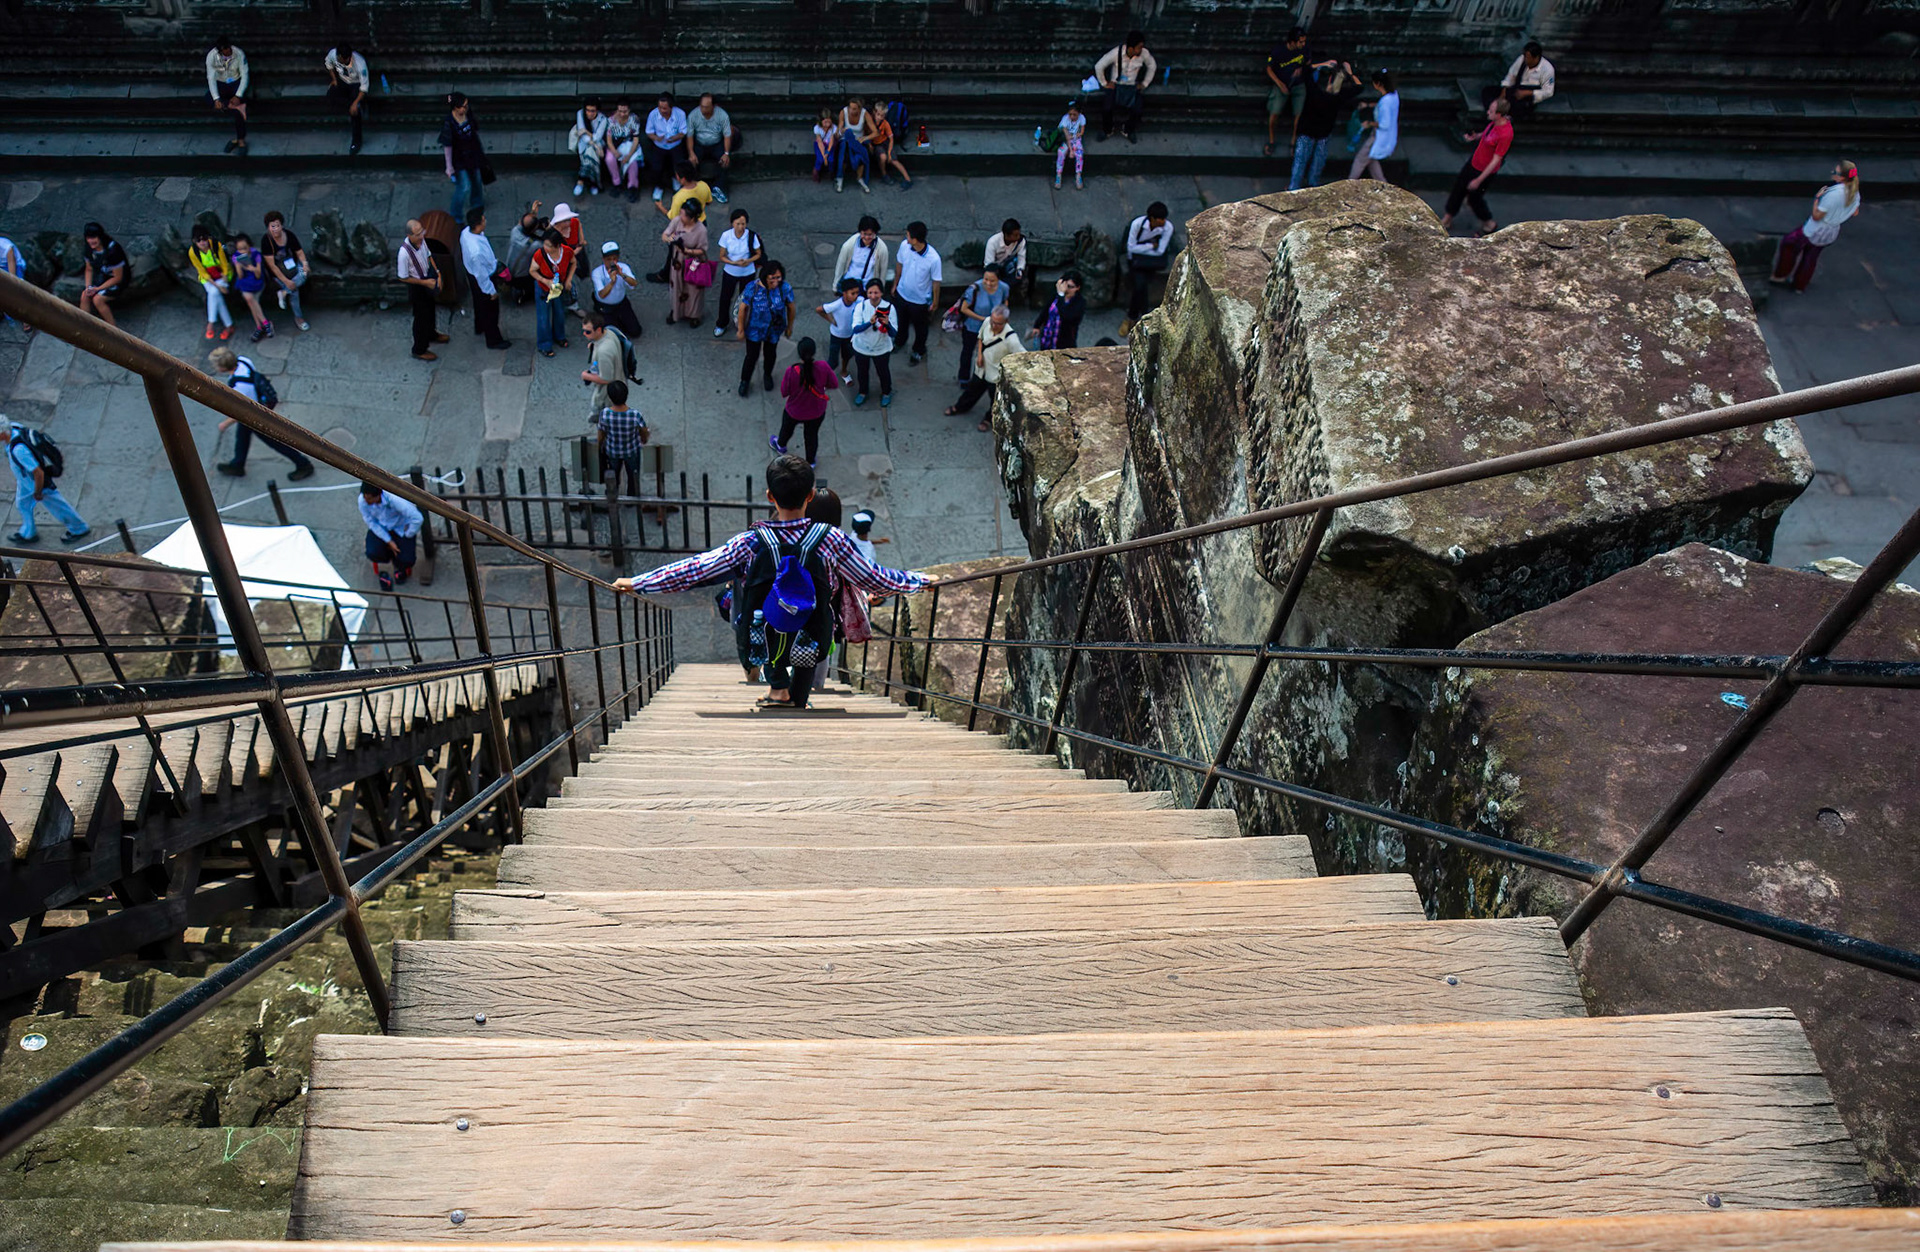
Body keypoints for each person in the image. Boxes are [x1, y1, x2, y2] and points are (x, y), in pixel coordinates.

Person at [614, 455, 928, 711]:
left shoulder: (749, 543)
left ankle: (778, 691)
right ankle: (798, 700)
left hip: (764, 629)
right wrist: (919, 581)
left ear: (769, 496)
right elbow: (874, 577)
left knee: (772, 652)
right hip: (812, 629)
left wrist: (639, 582)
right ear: (809, 497)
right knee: (806, 656)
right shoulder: (831, 541)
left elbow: (696, 570)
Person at [210, 346, 315, 480]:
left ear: (223, 367)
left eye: (216, 365)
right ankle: (238, 464)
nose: (215, 368)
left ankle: (303, 464)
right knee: (242, 436)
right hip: (255, 409)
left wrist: (225, 423)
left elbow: (244, 410)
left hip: (255, 415)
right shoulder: (243, 361)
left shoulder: (241, 387)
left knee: (275, 442)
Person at [1771, 160, 1862, 293]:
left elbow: (1816, 216)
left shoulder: (1833, 195)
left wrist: (1817, 199)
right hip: (1832, 231)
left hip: (1816, 228)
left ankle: (1780, 276)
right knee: (1811, 257)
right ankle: (1799, 285)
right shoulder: (1855, 193)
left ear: (1842, 177)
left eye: (1835, 172)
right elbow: (1855, 212)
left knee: (1789, 243)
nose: (1832, 174)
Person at [6, 415, 88, 545]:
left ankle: (79, 528)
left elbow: (38, 473)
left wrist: (38, 492)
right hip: (25, 481)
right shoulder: (15, 427)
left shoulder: (19, 450)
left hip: (36, 484)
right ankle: (28, 533)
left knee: (58, 506)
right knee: (23, 504)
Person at [945, 304, 1026, 430]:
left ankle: (988, 419)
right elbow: (981, 338)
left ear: (1006, 322)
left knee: (995, 401)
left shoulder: (1011, 340)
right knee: (972, 390)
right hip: (981, 369)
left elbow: (1022, 356)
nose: (993, 326)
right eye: (993, 322)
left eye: (998, 323)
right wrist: (979, 356)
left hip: (996, 376)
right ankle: (960, 407)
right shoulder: (987, 321)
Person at [1441, 98, 1512, 236]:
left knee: (1475, 199)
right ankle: (1448, 217)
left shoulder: (1505, 134)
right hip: (1474, 162)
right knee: (1459, 189)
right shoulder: (1494, 123)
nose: (1488, 112)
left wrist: (1479, 180)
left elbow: (1496, 160)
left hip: (1483, 171)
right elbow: (1487, 135)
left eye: (1491, 111)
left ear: (1499, 114)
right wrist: (1476, 137)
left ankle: (1489, 222)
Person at [1290, 60, 1360, 191]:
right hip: (1323, 135)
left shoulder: (1314, 91)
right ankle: (1312, 187)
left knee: (1300, 164)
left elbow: (1305, 69)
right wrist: (1350, 73)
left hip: (1307, 132)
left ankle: (1293, 188)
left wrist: (1323, 64)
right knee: (1317, 165)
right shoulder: (1338, 98)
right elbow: (1359, 88)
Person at [772, 336, 839, 466]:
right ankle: (811, 462)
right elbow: (834, 384)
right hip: (817, 411)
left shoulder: (792, 371)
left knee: (786, 428)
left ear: (799, 354)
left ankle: (780, 445)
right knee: (811, 436)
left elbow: (784, 392)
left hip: (794, 411)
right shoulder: (823, 367)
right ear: (814, 352)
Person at [737, 260, 795, 396]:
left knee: (770, 354)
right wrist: (741, 329)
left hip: (774, 330)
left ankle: (767, 375)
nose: (776, 281)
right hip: (754, 330)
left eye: (778, 277)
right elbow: (742, 308)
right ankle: (744, 381)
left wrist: (790, 327)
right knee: (751, 356)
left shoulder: (785, 288)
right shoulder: (753, 288)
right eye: (773, 277)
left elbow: (791, 308)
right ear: (765, 276)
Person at [460, 207, 512, 350]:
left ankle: (480, 326)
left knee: (479, 304)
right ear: (478, 224)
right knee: (491, 311)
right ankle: (493, 340)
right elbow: (481, 276)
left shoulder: (466, 233)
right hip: (483, 278)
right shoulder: (476, 252)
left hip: (472, 274)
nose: (485, 221)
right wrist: (491, 291)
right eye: (483, 219)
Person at [890, 221, 941, 363]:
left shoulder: (934, 259)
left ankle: (918, 350)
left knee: (921, 329)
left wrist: (935, 302)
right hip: (902, 294)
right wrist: (895, 283)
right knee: (901, 322)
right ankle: (899, 341)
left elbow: (936, 282)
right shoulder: (904, 247)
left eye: (908, 234)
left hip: (919, 301)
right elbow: (899, 265)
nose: (906, 236)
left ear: (914, 238)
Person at [359, 481, 422, 591]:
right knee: (372, 552)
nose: (366, 500)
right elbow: (371, 522)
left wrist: (408, 534)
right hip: (381, 527)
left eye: (369, 498)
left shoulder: (394, 500)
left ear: (378, 496)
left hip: (400, 528)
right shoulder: (363, 501)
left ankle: (400, 567)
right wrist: (388, 541)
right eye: (364, 497)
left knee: (407, 559)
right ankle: (388, 557)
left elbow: (417, 518)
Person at [397, 218, 445, 361]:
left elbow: (429, 256)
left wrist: (438, 273)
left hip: (428, 278)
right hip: (418, 286)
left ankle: (432, 334)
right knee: (420, 319)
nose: (421, 236)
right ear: (409, 235)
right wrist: (425, 283)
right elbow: (403, 278)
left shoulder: (421, 241)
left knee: (431, 310)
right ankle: (419, 349)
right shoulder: (404, 254)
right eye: (417, 234)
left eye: (421, 232)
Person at [1120, 204, 1172, 335]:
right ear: (1152, 218)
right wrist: (1150, 246)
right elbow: (1131, 248)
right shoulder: (1137, 224)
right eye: (1160, 219)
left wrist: (1142, 249)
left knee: (1140, 286)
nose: (1163, 222)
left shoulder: (1167, 228)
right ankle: (1143, 316)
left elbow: (1160, 251)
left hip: (1151, 263)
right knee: (1140, 286)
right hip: (1136, 262)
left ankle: (1131, 317)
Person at [1095, 32, 1156, 143]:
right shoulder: (1116, 53)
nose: (1141, 50)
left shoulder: (1144, 54)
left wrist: (1144, 83)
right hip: (1116, 86)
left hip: (1132, 87)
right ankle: (1107, 130)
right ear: (1131, 48)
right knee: (1106, 108)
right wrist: (1104, 83)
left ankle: (1128, 130)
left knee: (1138, 109)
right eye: (1139, 47)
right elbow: (1099, 66)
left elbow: (1152, 66)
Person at [712, 208, 763, 338]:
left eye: (743, 224)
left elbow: (758, 254)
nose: (740, 227)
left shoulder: (751, 236)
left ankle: (742, 324)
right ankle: (721, 323)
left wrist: (748, 261)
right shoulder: (726, 236)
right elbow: (722, 256)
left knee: (745, 300)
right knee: (725, 298)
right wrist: (734, 263)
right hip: (730, 272)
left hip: (748, 272)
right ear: (732, 223)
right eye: (738, 224)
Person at [595, 378, 649, 499]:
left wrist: (599, 446)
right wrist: (644, 439)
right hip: (632, 451)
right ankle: (632, 497)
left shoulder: (605, 414)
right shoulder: (635, 415)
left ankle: (613, 493)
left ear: (610, 397)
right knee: (633, 474)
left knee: (613, 474)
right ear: (626, 395)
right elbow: (644, 432)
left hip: (613, 451)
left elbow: (601, 434)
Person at [956, 264, 1009, 383]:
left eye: (992, 281)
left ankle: (982, 377)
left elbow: (1005, 301)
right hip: (973, 327)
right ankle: (963, 378)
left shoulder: (1004, 288)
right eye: (986, 279)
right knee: (967, 352)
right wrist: (983, 319)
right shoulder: (975, 289)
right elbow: (964, 308)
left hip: (992, 329)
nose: (988, 283)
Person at [1265, 26, 1312, 158]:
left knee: (1299, 116)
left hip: (1298, 85)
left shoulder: (1305, 49)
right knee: (1274, 114)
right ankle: (1271, 140)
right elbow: (1269, 69)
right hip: (1282, 84)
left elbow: (1308, 62)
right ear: (1292, 42)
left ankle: (1293, 141)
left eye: (1304, 41)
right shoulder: (1279, 51)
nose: (1303, 44)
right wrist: (1280, 85)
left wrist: (1301, 69)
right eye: (1300, 42)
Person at [440, 92, 487, 223]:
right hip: (459, 158)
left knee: (477, 179)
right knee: (464, 186)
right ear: (455, 107)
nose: (465, 109)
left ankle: (477, 205)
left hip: (473, 153)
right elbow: (447, 146)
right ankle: (456, 216)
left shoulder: (467, 114)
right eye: (462, 106)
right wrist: (449, 166)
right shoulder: (449, 123)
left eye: (466, 106)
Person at [663, 199, 710, 327]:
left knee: (694, 290)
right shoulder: (677, 221)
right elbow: (665, 235)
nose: (680, 216)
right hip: (678, 261)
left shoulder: (701, 230)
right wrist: (671, 239)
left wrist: (687, 250)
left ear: (692, 218)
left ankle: (694, 315)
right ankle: (676, 311)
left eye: (683, 214)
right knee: (676, 286)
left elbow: (702, 249)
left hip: (694, 262)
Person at [850, 278, 896, 408]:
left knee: (883, 371)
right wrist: (869, 323)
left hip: (881, 348)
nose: (873, 296)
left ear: (881, 293)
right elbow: (856, 329)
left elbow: (893, 333)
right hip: (861, 347)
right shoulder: (861, 306)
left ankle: (886, 392)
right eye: (870, 293)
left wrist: (887, 325)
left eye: (876, 293)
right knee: (862, 371)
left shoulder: (889, 308)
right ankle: (863, 392)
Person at [529, 227, 575, 357]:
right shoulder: (540, 254)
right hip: (543, 289)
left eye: (548, 245)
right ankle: (544, 344)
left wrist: (569, 280)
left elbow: (573, 263)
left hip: (558, 287)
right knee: (543, 317)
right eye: (545, 243)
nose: (545, 247)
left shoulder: (566, 252)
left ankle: (559, 337)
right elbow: (532, 271)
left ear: (558, 246)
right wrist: (545, 281)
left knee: (559, 313)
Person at [263, 211, 311, 331]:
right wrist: (286, 281)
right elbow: (272, 266)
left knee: (304, 273)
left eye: (277, 225)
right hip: (279, 273)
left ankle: (284, 293)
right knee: (294, 290)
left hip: (293, 267)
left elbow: (299, 252)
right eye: (272, 226)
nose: (275, 229)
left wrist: (305, 264)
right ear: (268, 227)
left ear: (282, 225)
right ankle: (299, 318)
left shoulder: (289, 235)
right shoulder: (266, 241)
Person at [1349, 70, 1399, 182]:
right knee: (1371, 161)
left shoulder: (1385, 103)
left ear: (1379, 84)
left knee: (1360, 159)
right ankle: (1383, 185)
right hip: (1385, 136)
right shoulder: (1393, 95)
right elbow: (1382, 106)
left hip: (1377, 138)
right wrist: (1368, 105)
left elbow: (1384, 124)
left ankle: (1349, 183)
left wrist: (1369, 124)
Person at [188, 225, 236, 341]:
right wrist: (218, 286)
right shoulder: (193, 252)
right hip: (208, 278)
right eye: (198, 240)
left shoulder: (216, 245)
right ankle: (229, 326)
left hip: (222, 275)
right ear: (194, 241)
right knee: (215, 293)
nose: (202, 243)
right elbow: (201, 271)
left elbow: (224, 265)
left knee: (213, 293)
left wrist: (223, 280)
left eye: (204, 239)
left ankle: (211, 323)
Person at [76, 222, 126, 329]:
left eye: (94, 237)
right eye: (89, 238)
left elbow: (118, 278)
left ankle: (114, 330)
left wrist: (98, 289)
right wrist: (88, 287)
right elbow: (89, 269)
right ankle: (83, 326)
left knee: (97, 300)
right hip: (102, 277)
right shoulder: (89, 249)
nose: (91, 241)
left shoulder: (113, 251)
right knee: (85, 295)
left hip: (117, 281)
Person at [1488, 41, 1555, 118]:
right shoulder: (1521, 59)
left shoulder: (1547, 69)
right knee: (1489, 92)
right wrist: (1504, 91)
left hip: (1530, 95)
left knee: (1517, 106)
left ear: (1536, 57)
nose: (1525, 59)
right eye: (1525, 56)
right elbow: (1511, 75)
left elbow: (1549, 92)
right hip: (1516, 89)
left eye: (1528, 57)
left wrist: (1528, 93)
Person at [324, 44, 370, 155]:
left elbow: (364, 88)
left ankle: (356, 141)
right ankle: (350, 105)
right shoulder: (333, 55)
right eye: (343, 60)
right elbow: (328, 65)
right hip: (343, 81)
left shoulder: (360, 64)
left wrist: (355, 103)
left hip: (356, 84)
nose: (346, 61)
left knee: (355, 113)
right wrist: (334, 79)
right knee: (331, 95)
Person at [206, 36, 249, 156]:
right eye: (224, 51)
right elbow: (211, 78)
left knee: (238, 104)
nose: (227, 53)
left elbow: (245, 75)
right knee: (208, 98)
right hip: (221, 83)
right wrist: (216, 98)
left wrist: (238, 95)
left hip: (235, 82)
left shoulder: (239, 54)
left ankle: (240, 140)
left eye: (228, 50)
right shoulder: (211, 57)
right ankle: (233, 107)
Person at [687, 92, 733, 202]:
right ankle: (694, 188)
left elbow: (727, 135)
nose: (703, 109)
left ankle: (719, 188)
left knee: (725, 162)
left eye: (706, 107)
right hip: (699, 144)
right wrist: (691, 153)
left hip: (716, 144)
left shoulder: (722, 115)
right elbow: (689, 136)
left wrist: (726, 153)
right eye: (702, 106)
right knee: (691, 162)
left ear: (713, 106)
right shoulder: (693, 115)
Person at [591, 241, 641, 339]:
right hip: (605, 306)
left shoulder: (624, 268)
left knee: (636, 331)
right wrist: (612, 282)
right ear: (603, 259)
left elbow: (634, 283)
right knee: (615, 337)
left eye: (614, 259)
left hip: (621, 303)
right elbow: (602, 294)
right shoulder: (597, 273)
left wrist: (622, 275)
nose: (612, 262)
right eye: (608, 259)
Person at [643, 93, 689, 201]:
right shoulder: (653, 114)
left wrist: (675, 138)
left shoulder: (680, 114)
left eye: (664, 108)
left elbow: (683, 132)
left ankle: (676, 181)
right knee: (656, 168)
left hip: (675, 144)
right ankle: (659, 187)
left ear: (671, 107)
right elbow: (648, 132)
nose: (662, 110)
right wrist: (656, 138)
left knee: (679, 165)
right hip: (659, 145)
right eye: (660, 107)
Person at [816, 277, 862, 383]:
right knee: (833, 361)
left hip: (849, 335)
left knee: (847, 355)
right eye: (852, 293)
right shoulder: (837, 305)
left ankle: (844, 372)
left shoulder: (859, 301)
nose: (855, 296)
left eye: (857, 293)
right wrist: (831, 320)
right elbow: (819, 309)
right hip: (836, 336)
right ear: (844, 293)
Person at [231, 231, 273, 343]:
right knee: (249, 299)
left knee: (250, 300)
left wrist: (251, 268)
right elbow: (240, 276)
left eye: (245, 248)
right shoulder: (236, 257)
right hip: (244, 282)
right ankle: (264, 324)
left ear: (250, 246)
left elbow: (259, 274)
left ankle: (260, 327)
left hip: (256, 281)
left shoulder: (256, 254)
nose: (242, 251)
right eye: (239, 249)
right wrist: (239, 266)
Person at [1031, 271, 1085, 350]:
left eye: (1070, 287)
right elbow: (1046, 310)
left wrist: (1061, 296)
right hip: (1048, 335)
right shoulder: (1057, 295)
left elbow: (1066, 316)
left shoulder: (1080, 303)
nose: (1066, 289)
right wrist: (1037, 325)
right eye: (1065, 285)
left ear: (1077, 287)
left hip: (1064, 341)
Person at [505, 200, 545, 305]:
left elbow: (522, 223)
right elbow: (546, 246)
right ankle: (524, 296)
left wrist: (533, 213)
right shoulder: (535, 245)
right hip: (522, 275)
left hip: (509, 268)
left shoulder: (515, 232)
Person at [835, 216, 890, 291]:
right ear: (860, 232)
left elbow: (883, 271)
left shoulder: (882, 249)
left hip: (866, 287)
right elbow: (840, 265)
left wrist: (880, 289)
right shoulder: (849, 245)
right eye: (864, 234)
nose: (867, 237)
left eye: (870, 234)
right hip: (849, 284)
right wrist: (835, 286)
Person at [604, 99, 644, 201]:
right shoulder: (611, 120)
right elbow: (609, 140)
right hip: (616, 145)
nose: (622, 114)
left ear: (629, 110)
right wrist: (614, 152)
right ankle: (617, 183)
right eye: (620, 111)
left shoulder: (634, 119)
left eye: (625, 111)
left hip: (629, 145)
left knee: (633, 162)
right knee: (609, 159)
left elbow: (636, 139)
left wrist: (629, 156)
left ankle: (632, 186)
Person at [870, 101, 913, 190]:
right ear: (874, 112)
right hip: (877, 144)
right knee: (883, 157)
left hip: (885, 142)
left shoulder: (885, 124)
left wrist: (889, 152)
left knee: (893, 160)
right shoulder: (870, 122)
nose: (880, 117)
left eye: (882, 116)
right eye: (878, 115)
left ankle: (907, 179)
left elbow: (891, 139)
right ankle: (884, 174)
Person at [836, 97, 875, 193]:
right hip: (847, 140)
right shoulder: (843, 112)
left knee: (861, 155)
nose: (851, 111)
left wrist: (865, 138)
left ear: (859, 109)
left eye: (854, 109)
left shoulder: (865, 114)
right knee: (844, 153)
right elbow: (838, 133)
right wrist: (841, 131)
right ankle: (840, 178)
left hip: (858, 141)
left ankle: (860, 178)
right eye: (850, 108)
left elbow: (875, 132)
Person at [569, 99, 608, 198]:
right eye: (588, 110)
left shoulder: (603, 119)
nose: (590, 113)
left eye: (593, 111)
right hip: (586, 143)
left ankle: (580, 181)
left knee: (589, 154)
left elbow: (597, 136)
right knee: (591, 152)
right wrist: (594, 145)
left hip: (598, 143)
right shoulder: (580, 114)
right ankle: (593, 184)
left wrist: (586, 131)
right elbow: (583, 136)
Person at [985, 219, 1028, 302]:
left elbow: (1021, 257)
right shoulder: (993, 242)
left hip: (1008, 265)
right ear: (1007, 235)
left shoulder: (1021, 241)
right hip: (995, 268)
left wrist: (1020, 270)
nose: (1018, 237)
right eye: (1015, 235)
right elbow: (989, 264)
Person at [1053, 100, 1088, 190]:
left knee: (1079, 153)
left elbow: (1082, 131)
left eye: (1074, 115)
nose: (1072, 117)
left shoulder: (1082, 118)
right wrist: (1071, 150)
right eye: (1070, 114)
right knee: (1061, 152)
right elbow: (1067, 137)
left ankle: (1078, 174)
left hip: (1075, 138)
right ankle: (1058, 174)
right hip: (1065, 139)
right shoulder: (1065, 120)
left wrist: (1075, 136)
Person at [812, 108, 839, 183]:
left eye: (828, 121)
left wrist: (827, 152)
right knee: (820, 159)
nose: (827, 124)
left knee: (831, 159)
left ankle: (831, 173)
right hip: (820, 145)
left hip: (829, 145)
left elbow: (831, 141)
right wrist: (824, 155)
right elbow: (819, 142)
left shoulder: (834, 128)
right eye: (825, 122)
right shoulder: (817, 128)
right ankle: (815, 173)